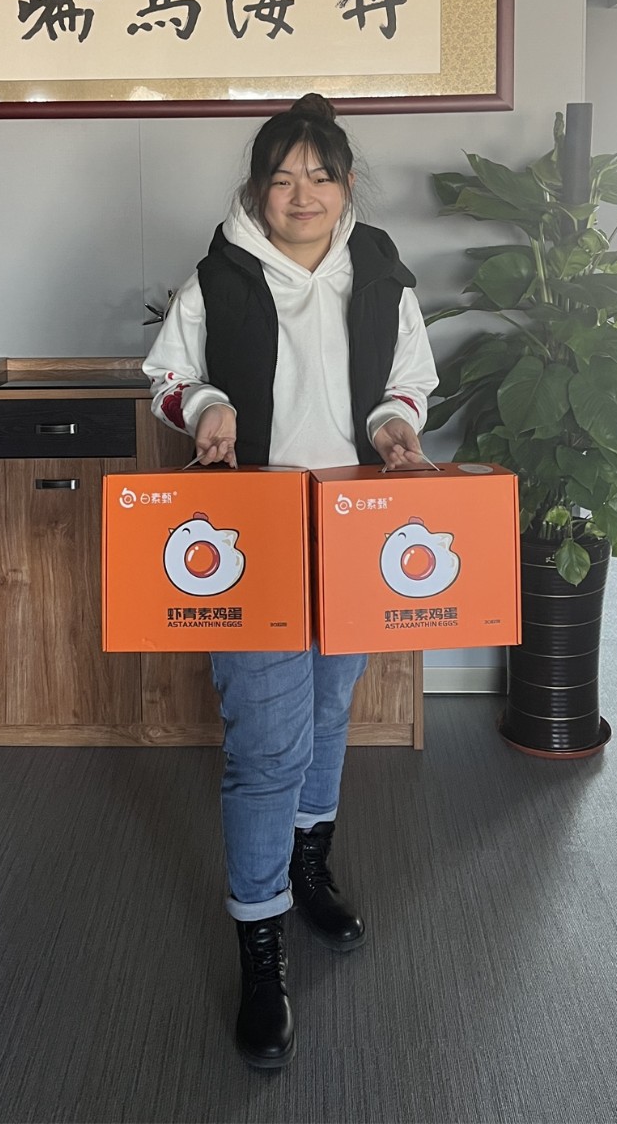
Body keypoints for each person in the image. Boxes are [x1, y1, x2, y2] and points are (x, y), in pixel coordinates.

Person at [142, 92, 438, 1069]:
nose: (300, 194)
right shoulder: (218, 276)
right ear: (255, 191)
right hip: (255, 532)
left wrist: (394, 426)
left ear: (345, 185)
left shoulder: (381, 274)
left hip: (351, 530)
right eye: (281, 178)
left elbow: (406, 381)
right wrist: (207, 406)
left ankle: (308, 868)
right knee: (264, 742)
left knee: (324, 709)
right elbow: (168, 377)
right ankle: (258, 939)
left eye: (319, 175)